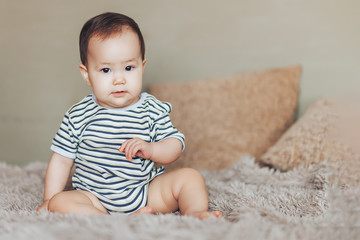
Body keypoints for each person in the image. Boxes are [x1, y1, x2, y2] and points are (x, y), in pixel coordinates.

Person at [36, 12, 222, 219]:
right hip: (94, 198)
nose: (119, 80)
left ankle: (195, 212)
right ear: (87, 73)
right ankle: (106, 220)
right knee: (60, 202)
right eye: (106, 70)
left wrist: (151, 149)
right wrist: (49, 198)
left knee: (190, 177)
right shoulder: (78, 114)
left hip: (146, 192)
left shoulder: (152, 108)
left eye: (128, 68)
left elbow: (174, 145)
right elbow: (61, 160)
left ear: (142, 66)